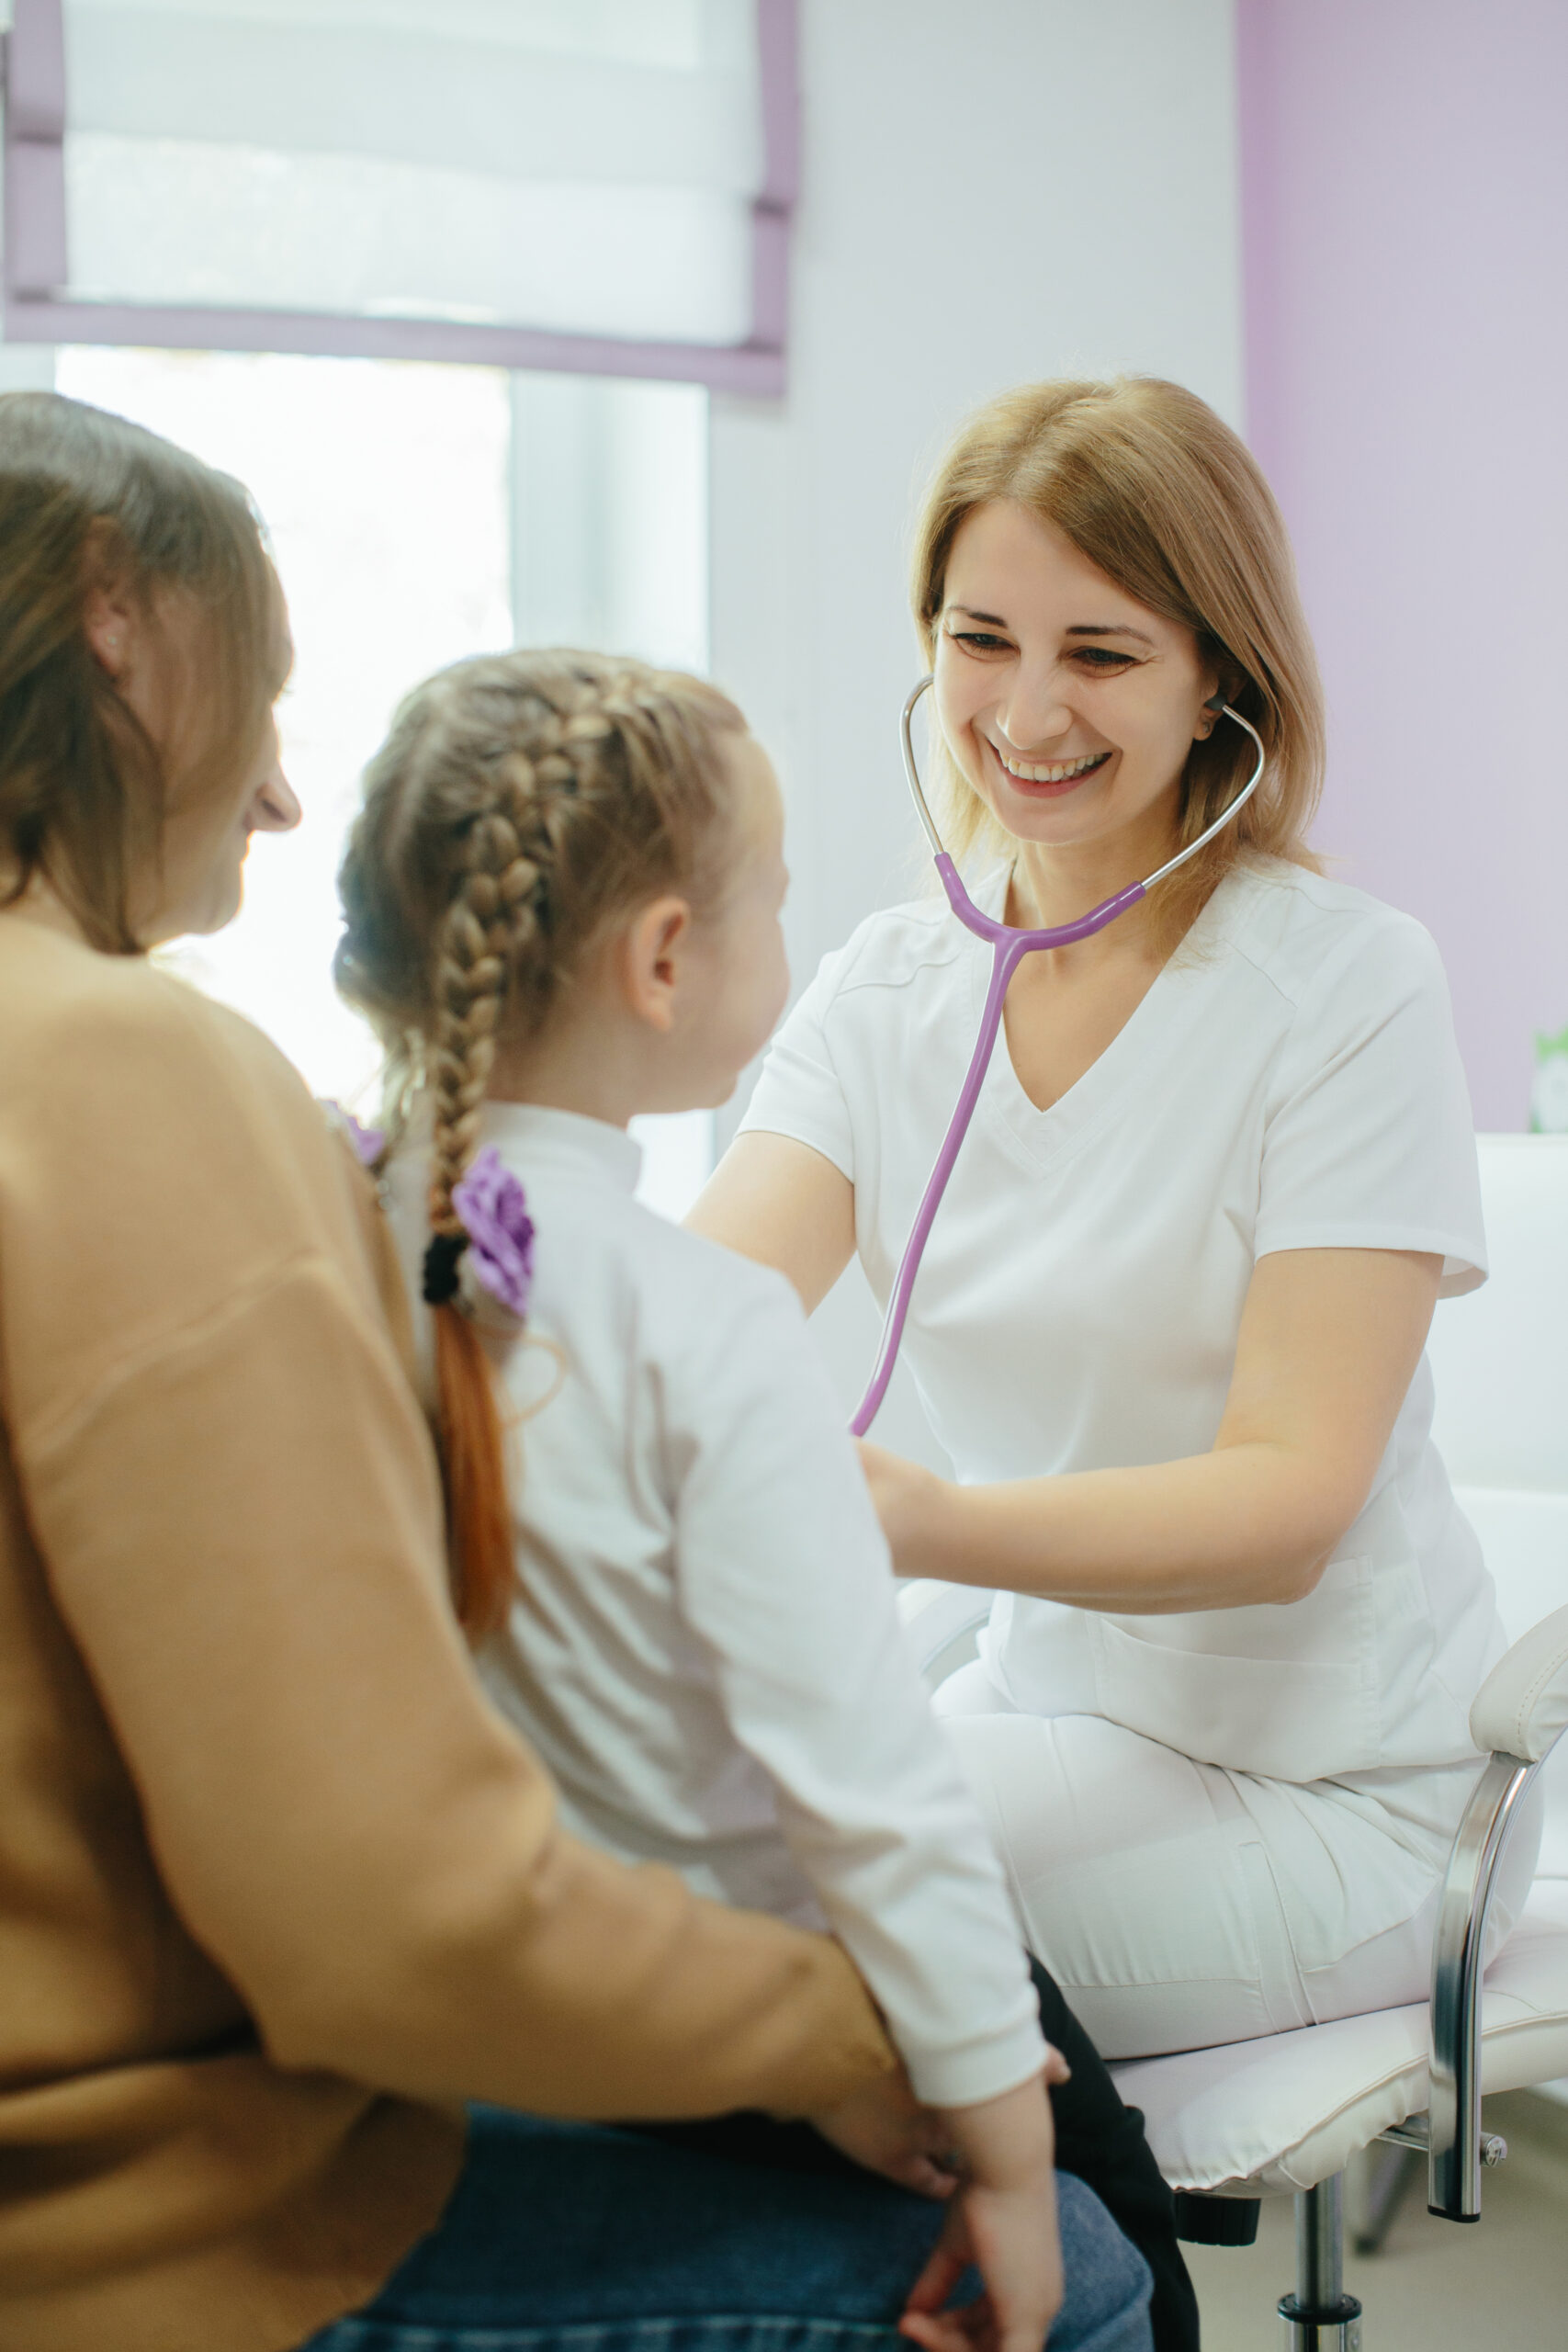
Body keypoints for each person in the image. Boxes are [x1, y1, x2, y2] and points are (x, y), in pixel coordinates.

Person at [0, 390, 1160, 2352]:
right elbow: (423, 1895)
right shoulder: (130, 1072)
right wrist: (871, 2053)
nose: (272, 791)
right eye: (259, 690)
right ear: (114, 624)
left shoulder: (357, 1196)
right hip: (186, 2199)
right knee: (1099, 2253)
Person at [690, 374, 1539, 2066]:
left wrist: (919, 1523)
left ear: (1219, 669)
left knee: (774, 1958)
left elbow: (1289, 1502)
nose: (1024, 709)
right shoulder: (890, 984)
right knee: (658, 1852)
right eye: (981, 636)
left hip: (1337, 1793)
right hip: (1049, 1714)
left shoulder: (1344, 987)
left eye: (1101, 651)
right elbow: (690, 1305)